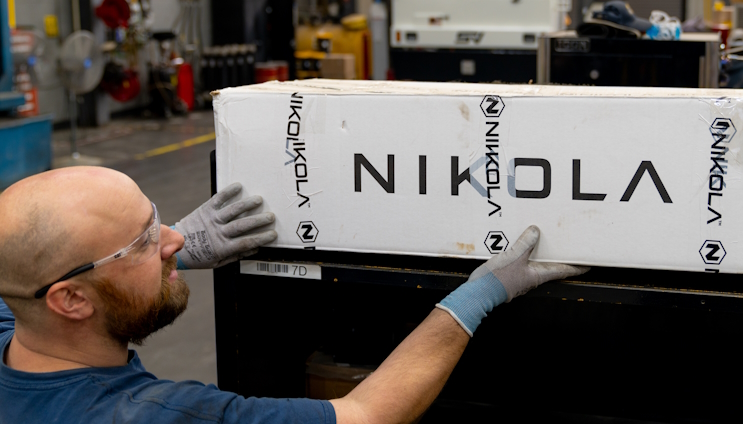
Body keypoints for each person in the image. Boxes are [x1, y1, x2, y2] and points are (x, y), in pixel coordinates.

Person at [0, 166, 586, 423]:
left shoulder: (20, 316)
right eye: (146, 239)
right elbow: (366, 414)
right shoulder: (158, 417)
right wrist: (476, 296)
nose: (177, 236)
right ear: (71, 300)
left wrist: (154, 262)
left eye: (159, 221)